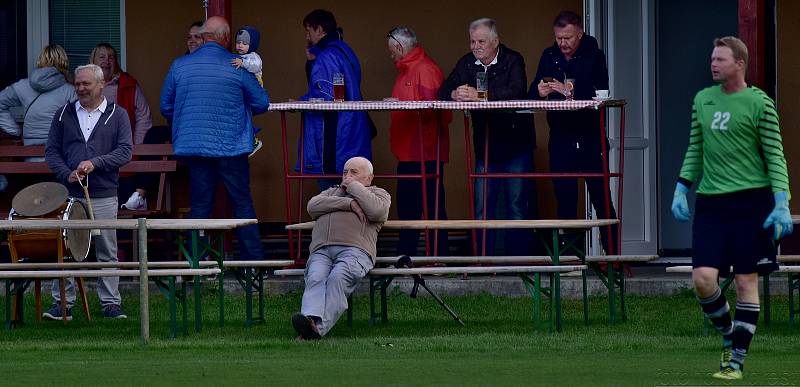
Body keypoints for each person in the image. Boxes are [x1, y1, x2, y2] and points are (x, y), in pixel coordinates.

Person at [672, 36, 792, 380]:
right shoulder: (702, 100)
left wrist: (782, 201)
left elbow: (775, 155)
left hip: (752, 203)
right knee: (703, 280)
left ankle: (736, 360)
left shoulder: (760, 104)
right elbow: (696, 148)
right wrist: (682, 188)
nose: (713, 64)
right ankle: (729, 335)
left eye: (720, 59)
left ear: (739, 64)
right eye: (712, 58)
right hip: (711, 203)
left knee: (744, 281)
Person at [160, 16, 269, 261]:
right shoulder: (237, 66)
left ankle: (196, 264)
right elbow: (261, 103)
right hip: (232, 147)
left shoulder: (180, 65)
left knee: (199, 207)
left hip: (195, 148)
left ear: (203, 37)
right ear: (226, 38)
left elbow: (166, 106)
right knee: (242, 204)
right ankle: (255, 265)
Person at [437, 18, 535, 255]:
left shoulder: (514, 59)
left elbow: (517, 91)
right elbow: (442, 90)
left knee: (516, 207)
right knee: (482, 207)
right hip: (485, 145)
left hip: (516, 145)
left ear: (495, 42)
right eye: (472, 41)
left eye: (481, 41)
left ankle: (518, 263)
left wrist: (481, 96)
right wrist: (454, 93)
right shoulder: (467, 63)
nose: (475, 46)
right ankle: (483, 261)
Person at [44, 64, 133, 320]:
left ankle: (111, 304)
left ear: (101, 84)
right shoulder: (63, 114)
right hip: (71, 192)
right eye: (78, 84)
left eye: (86, 84)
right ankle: (62, 304)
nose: (81, 88)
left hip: (104, 192)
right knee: (68, 248)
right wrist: (66, 173)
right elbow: (51, 151)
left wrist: (97, 163)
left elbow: (125, 151)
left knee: (107, 250)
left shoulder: (118, 115)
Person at [529, 10, 618, 254]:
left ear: (580, 34)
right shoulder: (549, 55)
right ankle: (570, 260)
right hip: (561, 138)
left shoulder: (594, 55)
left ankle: (614, 258)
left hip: (591, 138)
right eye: (559, 38)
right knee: (565, 200)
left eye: (568, 38)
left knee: (601, 199)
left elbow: (601, 89)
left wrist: (569, 91)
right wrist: (541, 91)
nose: (563, 44)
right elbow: (530, 93)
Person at [292, 157, 391, 340]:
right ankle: (310, 321)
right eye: (345, 172)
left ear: (369, 178)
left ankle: (315, 330)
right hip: (322, 249)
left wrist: (354, 188)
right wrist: (349, 204)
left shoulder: (379, 194)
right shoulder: (331, 192)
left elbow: (377, 211)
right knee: (315, 276)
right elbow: (312, 206)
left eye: (354, 172)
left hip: (355, 251)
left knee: (338, 278)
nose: (347, 176)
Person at [386, 26, 451, 256]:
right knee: (409, 209)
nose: (390, 55)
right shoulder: (407, 69)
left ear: (400, 47)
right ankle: (409, 257)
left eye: (392, 50)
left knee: (430, 208)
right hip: (409, 152)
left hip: (424, 153)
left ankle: (438, 258)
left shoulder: (425, 70)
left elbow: (440, 114)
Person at [299, 9, 373, 191]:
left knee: (331, 184)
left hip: (333, 129)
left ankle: (331, 220)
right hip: (353, 124)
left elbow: (323, 94)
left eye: (309, 30)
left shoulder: (327, 56)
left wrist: (302, 100)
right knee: (355, 185)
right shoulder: (345, 50)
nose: (306, 36)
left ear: (320, 30)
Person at [89, 43, 154, 211]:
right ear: (93, 61)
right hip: (94, 158)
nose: (107, 61)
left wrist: (134, 146)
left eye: (111, 57)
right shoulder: (84, 87)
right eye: (102, 57)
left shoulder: (128, 84)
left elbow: (144, 117)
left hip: (124, 157)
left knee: (123, 208)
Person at [0, 45, 76, 148]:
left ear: (40, 61)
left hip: (29, 154)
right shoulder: (71, 90)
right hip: (59, 151)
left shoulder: (22, 86)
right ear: (64, 63)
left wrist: (15, 131)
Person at [231, 26, 264, 157]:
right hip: (245, 88)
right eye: (238, 42)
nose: (240, 46)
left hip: (255, 86)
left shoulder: (253, 57)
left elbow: (255, 66)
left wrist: (243, 63)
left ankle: (253, 141)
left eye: (244, 43)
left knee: (244, 114)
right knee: (243, 116)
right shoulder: (239, 57)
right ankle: (251, 140)